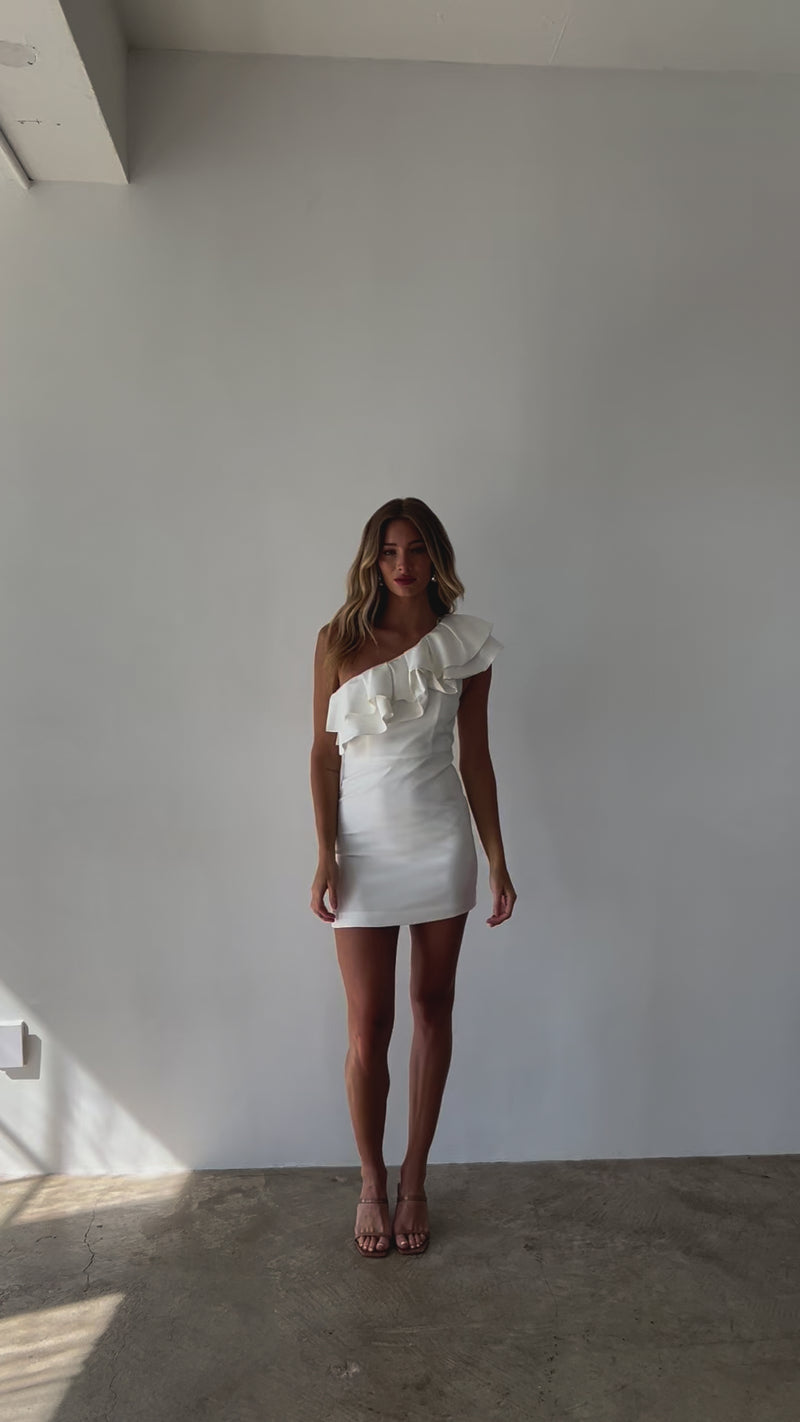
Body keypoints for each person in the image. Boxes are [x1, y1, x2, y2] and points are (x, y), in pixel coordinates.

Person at [310, 497, 516, 1258]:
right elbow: (323, 756)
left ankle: (416, 1180)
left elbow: (476, 759)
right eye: (391, 551)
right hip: (363, 849)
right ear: (374, 559)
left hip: (439, 840)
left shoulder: (466, 644)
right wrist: (325, 854)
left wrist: (496, 856)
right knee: (369, 1025)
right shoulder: (338, 639)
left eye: (418, 550)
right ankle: (371, 1182)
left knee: (432, 1006)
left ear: (437, 558)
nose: (404, 565)